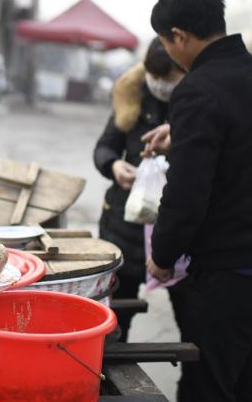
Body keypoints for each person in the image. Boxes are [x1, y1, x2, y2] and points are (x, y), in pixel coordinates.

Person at [144, 0, 252, 402]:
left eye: (164, 41)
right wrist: (181, 133)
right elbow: (249, 147)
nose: (168, 51)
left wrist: (162, 256)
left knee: (207, 386)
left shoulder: (197, 89)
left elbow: (186, 193)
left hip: (233, 269)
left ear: (179, 36)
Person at [93, 38, 185, 341]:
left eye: (166, 79)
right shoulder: (131, 95)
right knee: (116, 323)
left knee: (193, 322)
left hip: (178, 230)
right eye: (154, 78)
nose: (159, 85)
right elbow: (105, 147)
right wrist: (114, 167)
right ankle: (109, 380)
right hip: (125, 224)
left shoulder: (196, 101)